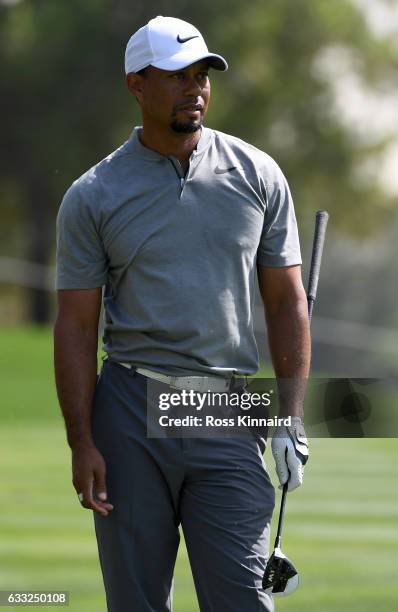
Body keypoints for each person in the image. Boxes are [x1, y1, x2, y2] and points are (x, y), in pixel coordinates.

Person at [54, 15, 311, 612]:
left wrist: (289, 417)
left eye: (202, 75)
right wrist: (81, 441)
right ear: (137, 85)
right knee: (138, 602)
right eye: (177, 75)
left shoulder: (258, 174)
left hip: (225, 404)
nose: (195, 87)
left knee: (243, 601)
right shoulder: (93, 195)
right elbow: (75, 324)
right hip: (129, 407)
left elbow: (285, 301)